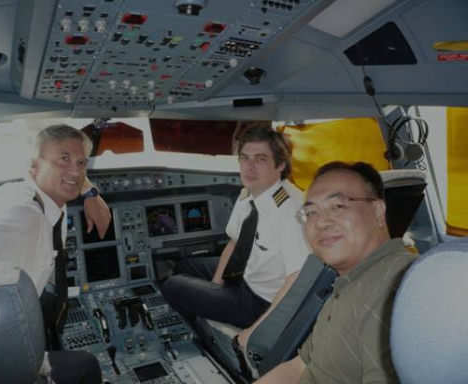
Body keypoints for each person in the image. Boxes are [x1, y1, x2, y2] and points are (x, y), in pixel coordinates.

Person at [0, 124, 110, 384]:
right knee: (87, 365)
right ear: (33, 166)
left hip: (22, 325)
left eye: (82, 162)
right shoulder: (19, 209)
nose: (76, 170)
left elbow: (73, 174)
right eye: (64, 159)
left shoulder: (46, 204)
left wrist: (90, 193)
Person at [255, 161, 417, 384]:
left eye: (338, 206)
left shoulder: (397, 292)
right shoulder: (347, 281)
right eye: (310, 212)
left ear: (378, 211)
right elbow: (300, 366)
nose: (320, 222)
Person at [161, 127, 309, 342]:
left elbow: (298, 280)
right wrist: (215, 286)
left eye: (260, 159)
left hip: (260, 301)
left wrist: (259, 328)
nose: (249, 167)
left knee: (172, 286)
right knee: (185, 266)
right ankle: (204, 320)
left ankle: (200, 342)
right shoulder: (251, 191)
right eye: (244, 158)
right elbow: (235, 241)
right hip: (245, 274)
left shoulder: (291, 211)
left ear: (280, 164)